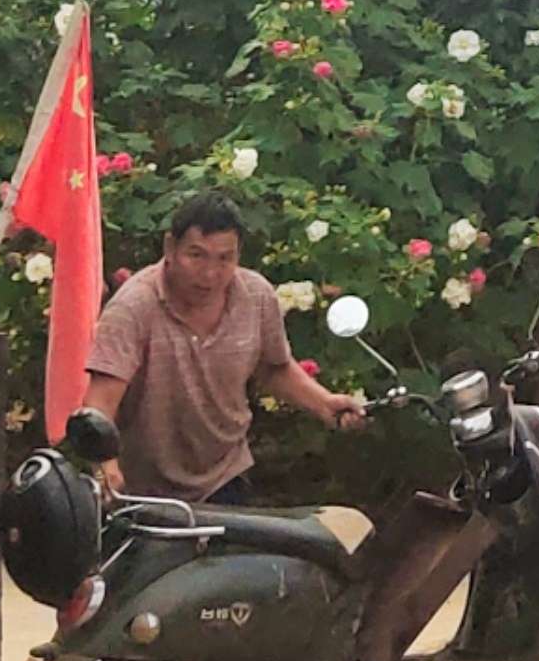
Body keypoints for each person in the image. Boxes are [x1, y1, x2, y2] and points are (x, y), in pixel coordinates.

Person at [75, 193, 362, 500]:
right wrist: (105, 465)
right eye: (196, 255)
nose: (210, 274)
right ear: (170, 248)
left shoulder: (256, 296)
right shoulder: (133, 308)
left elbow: (273, 368)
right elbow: (100, 402)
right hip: (145, 491)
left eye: (225, 258)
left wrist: (324, 402)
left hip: (226, 476)